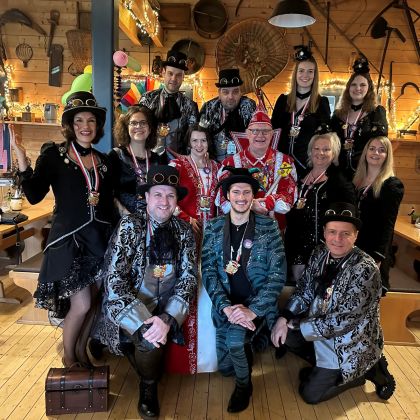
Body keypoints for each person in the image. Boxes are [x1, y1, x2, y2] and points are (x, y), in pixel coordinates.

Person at [9, 91, 114, 367]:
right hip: (69, 242)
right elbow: (34, 195)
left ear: (98, 125)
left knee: (94, 303)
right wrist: (22, 157)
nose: (85, 126)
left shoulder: (104, 162)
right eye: (79, 120)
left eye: (91, 120)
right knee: (82, 304)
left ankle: (81, 353)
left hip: (98, 241)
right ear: (70, 124)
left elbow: (108, 203)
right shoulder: (53, 156)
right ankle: (69, 358)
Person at [96, 165, 197, 418]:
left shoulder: (184, 231)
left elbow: (188, 277)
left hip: (166, 306)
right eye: (158, 194)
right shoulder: (131, 226)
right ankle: (148, 387)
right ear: (147, 197)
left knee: (157, 338)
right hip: (131, 304)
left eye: (171, 195)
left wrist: (168, 317)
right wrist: (143, 320)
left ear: (177, 200)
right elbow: (114, 280)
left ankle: (144, 362)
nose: (165, 201)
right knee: (151, 342)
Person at [271, 202, 396, 404]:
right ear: (324, 232)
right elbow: (304, 290)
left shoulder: (365, 269)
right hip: (318, 326)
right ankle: (326, 371)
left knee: (310, 395)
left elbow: (343, 321)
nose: (337, 239)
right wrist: (284, 318)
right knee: (282, 335)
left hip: (349, 341)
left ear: (356, 235)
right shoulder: (320, 252)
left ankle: (367, 371)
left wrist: (297, 325)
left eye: (345, 233)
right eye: (332, 232)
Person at [202, 167, 286, 413]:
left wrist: (252, 310)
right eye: (236, 192)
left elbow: (277, 276)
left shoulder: (269, 227)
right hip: (227, 306)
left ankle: (244, 386)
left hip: (256, 303)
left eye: (246, 192)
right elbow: (208, 272)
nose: (241, 197)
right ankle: (254, 343)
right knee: (226, 368)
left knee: (235, 342)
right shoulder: (213, 227)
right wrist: (226, 307)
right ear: (227, 195)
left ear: (253, 195)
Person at [166, 124, 220, 373]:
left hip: (213, 237)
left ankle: (210, 357)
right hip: (186, 235)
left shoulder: (217, 168)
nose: (199, 145)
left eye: (203, 141)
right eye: (195, 140)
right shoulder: (177, 166)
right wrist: (184, 216)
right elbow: (168, 196)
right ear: (189, 143)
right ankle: (184, 356)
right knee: (186, 285)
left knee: (209, 288)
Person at [285, 131, 355, 282]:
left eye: (326, 149)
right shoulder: (300, 176)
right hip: (296, 247)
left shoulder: (339, 182)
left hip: (322, 250)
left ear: (334, 153)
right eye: (316, 148)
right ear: (310, 151)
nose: (320, 153)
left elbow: (346, 221)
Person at [218, 104, 297, 230]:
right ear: (247, 133)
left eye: (265, 131)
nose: (260, 135)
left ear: (272, 134)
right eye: (255, 131)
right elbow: (222, 201)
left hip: (274, 230)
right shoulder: (230, 163)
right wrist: (251, 204)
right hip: (238, 229)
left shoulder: (285, 162)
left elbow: (289, 197)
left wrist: (268, 202)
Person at [353, 136, 404, 294]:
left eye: (381, 150)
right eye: (372, 149)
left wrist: (378, 257)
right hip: (353, 245)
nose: (376, 153)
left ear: (387, 156)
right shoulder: (357, 180)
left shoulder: (391, 185)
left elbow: (388, 226)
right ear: (366, 152)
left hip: (372, 249)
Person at [271, 45, 331, 179]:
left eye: (310, 71)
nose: (305, 75)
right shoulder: (283, 101)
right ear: (295, 73)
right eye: (301, 71)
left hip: (306, 167)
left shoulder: (321, 103)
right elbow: (273, 131)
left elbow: (325, 139)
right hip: (281, 165)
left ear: (315, 75)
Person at [331, 56, 388, 180]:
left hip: (365, 173)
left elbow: (381, 145)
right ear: (348, 88)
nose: (358, 88)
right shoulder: (337, 115)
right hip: (338, 173)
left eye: (362, 85)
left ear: (369, 89)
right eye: (354, 85)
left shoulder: (376, 113)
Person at [109, 105, 167, 216]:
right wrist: (127, 216)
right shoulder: (115, 156)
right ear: (126, 128)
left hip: (153, 219)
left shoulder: (159, 159)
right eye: (133, 123)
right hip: (124, 220)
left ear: (150, 128)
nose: (138, 126)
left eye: (143, 123)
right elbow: (108, 192)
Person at [139, 50, 199, 157]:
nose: (174, 79)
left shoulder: (190, 106)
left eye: (178, 75)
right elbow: (140, 131)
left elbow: (192, 139)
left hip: (178, 161)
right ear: (163, 72)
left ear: (183, 77)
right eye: (170, 73)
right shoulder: (147, 99)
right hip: (150, 159)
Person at [199, 68, 256, 163]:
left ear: (241, 92)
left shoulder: (249, 106)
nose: (230, 97)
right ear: (219, 93)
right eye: (225, 92)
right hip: (214, 164)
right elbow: (199, 137)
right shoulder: (209, 108)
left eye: (235, 91)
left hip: (244, 164)